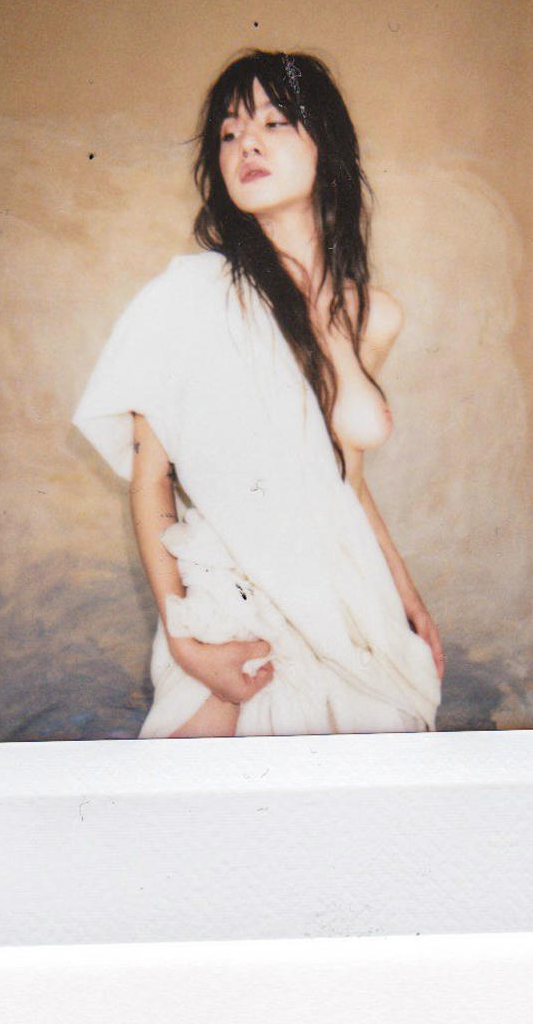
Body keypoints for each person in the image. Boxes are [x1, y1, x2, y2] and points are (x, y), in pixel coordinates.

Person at [73, 50, 444, 738]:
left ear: (326, 147)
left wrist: (406, 595)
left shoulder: (375, 314)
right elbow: (151, 480)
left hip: (354, 605)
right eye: (229, 132)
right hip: (233, 609)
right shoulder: (185, 298)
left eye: (274, 122)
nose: (246, 143)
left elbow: (345, 481)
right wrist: (184, 639)